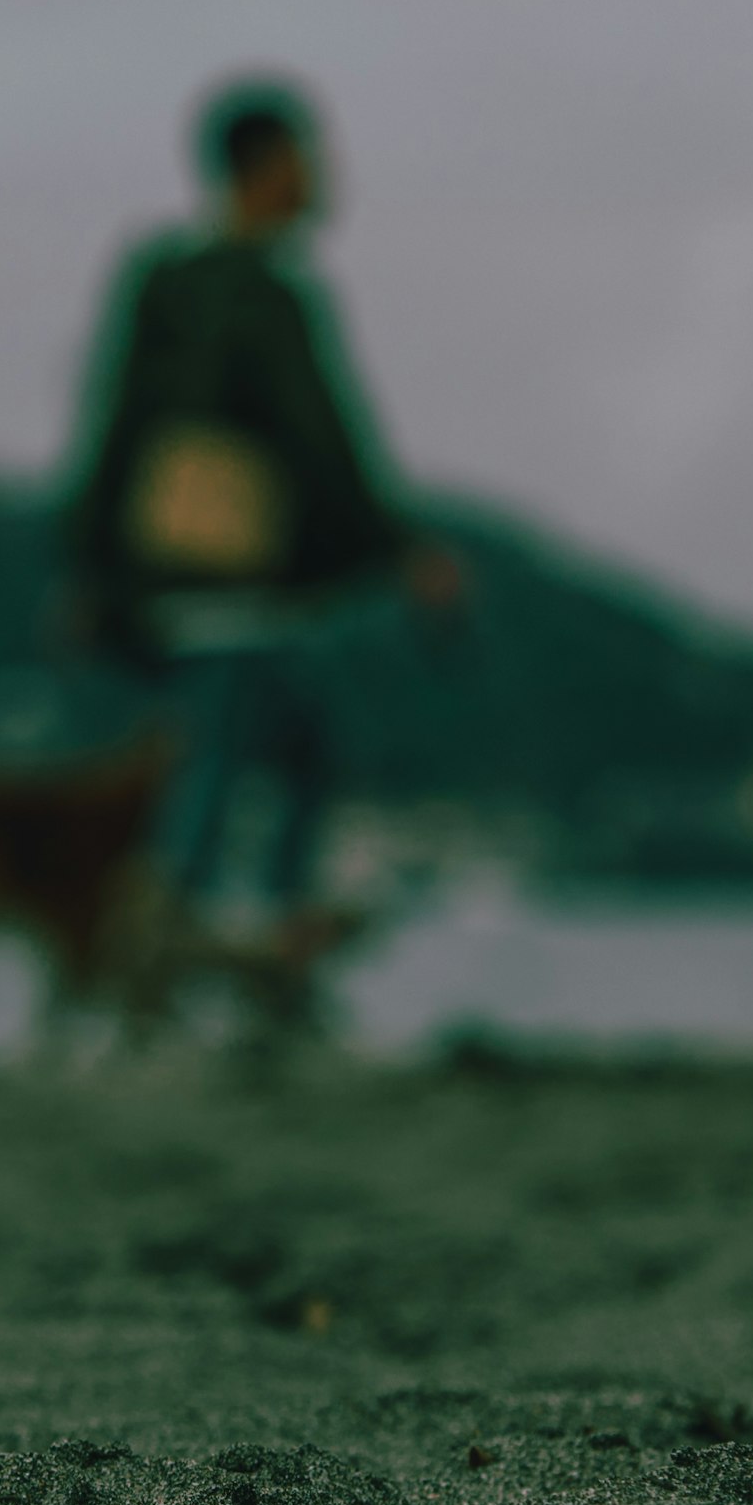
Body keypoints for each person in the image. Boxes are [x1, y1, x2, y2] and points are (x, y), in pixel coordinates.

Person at [59, 74, 465, 1020]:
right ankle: (179, 939)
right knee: (236, 747)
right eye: (306, 159)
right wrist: (399, 546)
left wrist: (89, 559)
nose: (323, 179)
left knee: (279, 741)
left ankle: (241, 947)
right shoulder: (266, 298)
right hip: (238, 576)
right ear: (262, 168)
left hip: (168, 567)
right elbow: (323, 442)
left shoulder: (162, 282)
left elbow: (114, 422)